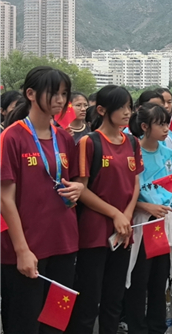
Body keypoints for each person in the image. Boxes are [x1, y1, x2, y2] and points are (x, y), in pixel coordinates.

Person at [1, 66, 84, 333]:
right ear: (30, 94)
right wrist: (22, 251)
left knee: (56, 322)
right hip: (27, 247)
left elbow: (73, 181)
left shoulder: (64, 137)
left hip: (63, 243)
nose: (61, 100)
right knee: (25, 324)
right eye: (54, 93)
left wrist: (77, 189)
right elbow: (5, 199)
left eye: (64, 94)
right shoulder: (11, 137)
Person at [68, 85, 143, 334]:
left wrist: (127, 215)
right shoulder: (89, 142)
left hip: (123, 231)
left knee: (114, 298)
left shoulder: (132, 142)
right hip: (94, 233)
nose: (127, 112)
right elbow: (81, 188)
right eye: (120, 107)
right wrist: (115, 214)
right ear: (101, 110)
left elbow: (135, 182)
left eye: (129, 107)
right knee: (89, 300)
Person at [124, 103, 172, 334]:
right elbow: (124, 192)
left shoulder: (169, 154)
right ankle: (136, 327)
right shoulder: (132, 153)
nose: (166, 129)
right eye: (160, 124)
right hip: (140, 223)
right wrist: (144, 206)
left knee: (159, 277)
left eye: (167, 124)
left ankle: (157, 326)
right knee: (139, 278)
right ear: (144, 126)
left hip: (163, 223)